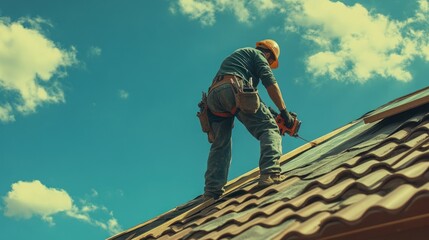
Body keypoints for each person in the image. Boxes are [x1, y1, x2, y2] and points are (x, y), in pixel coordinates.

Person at [203, 39, 295, 199]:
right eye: (271, 61)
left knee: (220, 144)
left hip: (214, 96)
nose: (269, 63)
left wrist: (271, 112)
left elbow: (251, 97)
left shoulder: (240, 58)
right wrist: (283, 111)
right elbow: (270, 83)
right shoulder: (258, 55)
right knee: (270, 128)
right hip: (234, 88)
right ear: (267, 53)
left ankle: (212, 192)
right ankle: (270, 173)